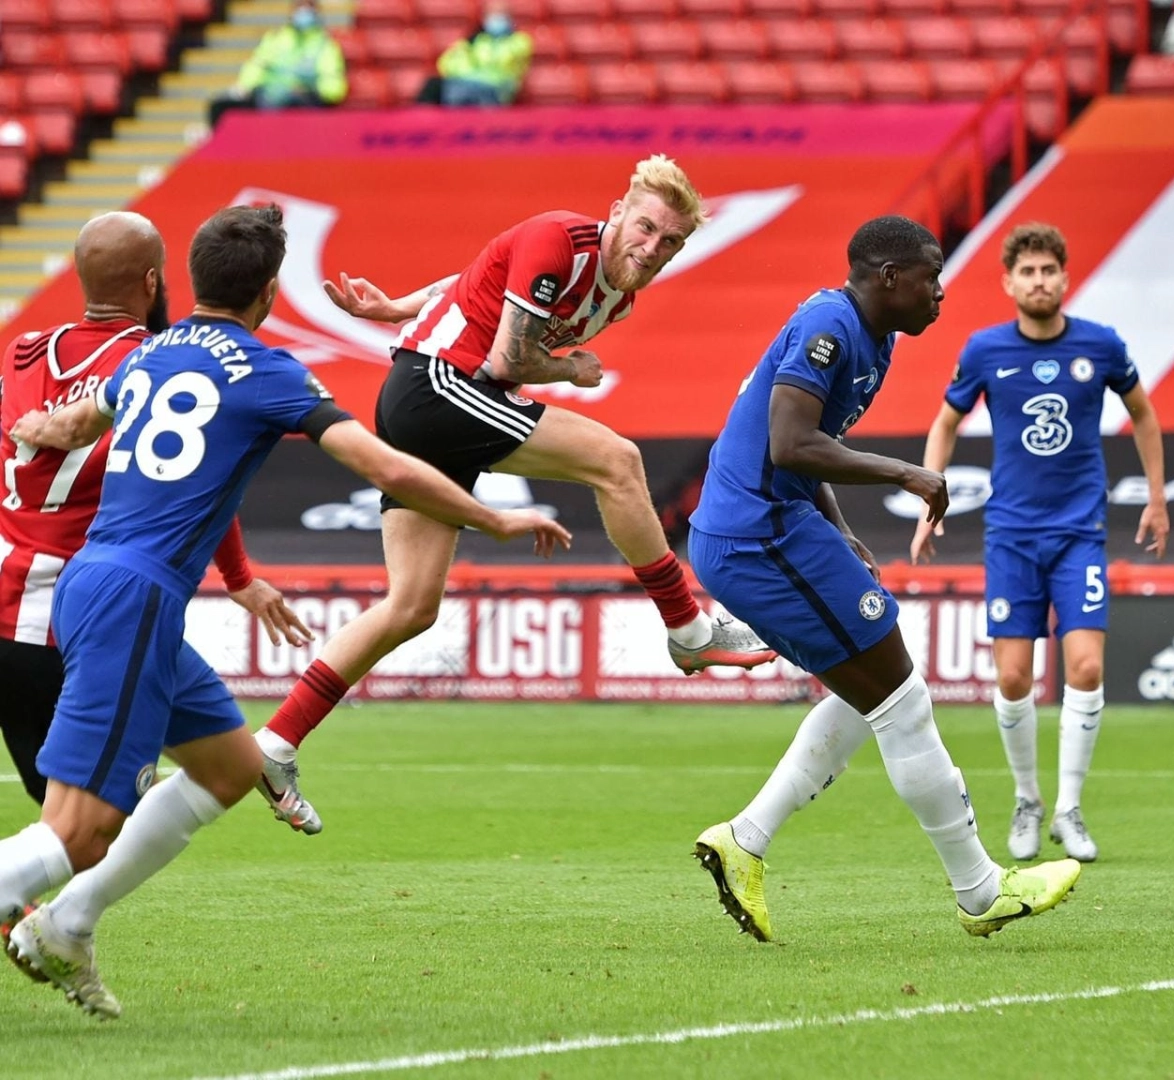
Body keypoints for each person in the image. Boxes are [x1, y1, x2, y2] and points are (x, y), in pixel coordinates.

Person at [0, 204, 570, 1018]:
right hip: (131, 599)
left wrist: (30, 424)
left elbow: (71, 421)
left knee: (231, 769)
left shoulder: (148, 354)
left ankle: (68, 926)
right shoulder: (269, 371)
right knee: (79, 833)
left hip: (112, 588)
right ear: (270, 292)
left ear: (190, 280)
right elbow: (388, 466)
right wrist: (496, 517)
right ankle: (52, 911)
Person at [250, 154, 775, 836]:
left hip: (436, 399)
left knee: (411, 606)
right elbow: (508, 361)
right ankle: (688, 629)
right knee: (617, 461)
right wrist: (573, 370)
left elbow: (473, 281)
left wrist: (399, 306)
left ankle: (275, 745)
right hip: (437, 391)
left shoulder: (616, 291)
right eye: (644, 227)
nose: (652, 248)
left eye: (670, 242)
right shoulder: (557, 240)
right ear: (616, 212)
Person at [687, 215, 1083, 942]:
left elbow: (813, 446)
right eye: (931, 277)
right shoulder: (831, 326)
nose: (940, 292)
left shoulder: (877, 337)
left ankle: (745, 840)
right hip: (757, 535)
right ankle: (980, 890)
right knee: (902, 702)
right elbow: (789, 440)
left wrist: (839, 531)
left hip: (777, 528)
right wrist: (903, 472)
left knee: (879, 688)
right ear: (889, 278)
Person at [0, 212, 310, 812]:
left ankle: (252, 764)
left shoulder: (23, 351)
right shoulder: (159, 363)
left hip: (10, 602)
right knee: (87, 825)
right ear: (151, 283)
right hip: (75, 619)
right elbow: (192, 483)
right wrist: (241, 579)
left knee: (78, 817)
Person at [910, 223, 1168, 865]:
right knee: (1014, 675)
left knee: (1084, 668)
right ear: (1008, 283)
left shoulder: (1100, 346)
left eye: (1048, 269)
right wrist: (930, 502)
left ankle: (1069, 808)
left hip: (1079, 532)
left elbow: (1143, 414)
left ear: (1064, 276)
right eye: (1026, 272)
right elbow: (945, 424)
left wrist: (1157, 497)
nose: (1038, 281)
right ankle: (1027, 799)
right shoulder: (984, 350)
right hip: (1012, 536)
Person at [207, 1, 347, 129]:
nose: (303, 14)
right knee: (220, 106)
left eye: (308, 9)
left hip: (304, 101)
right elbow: (257, 66)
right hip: (269, 98)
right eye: (299, 9)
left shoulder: (326, 46)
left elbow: (333, 87)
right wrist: (244, 86)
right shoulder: (275, 39)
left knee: (292, 103)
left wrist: (309, 89)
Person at [417, 2, 533, 107]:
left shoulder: (520, 40)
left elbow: (502, 64)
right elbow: (446, 62)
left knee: (459, 92)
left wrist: (472, 70)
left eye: (500, 13)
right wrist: (468, 74)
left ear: (510, 16)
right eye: (492, 13)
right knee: (436, 85)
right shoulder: (475, 39)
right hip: (465, 86)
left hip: (497, 91)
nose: (496, 18)